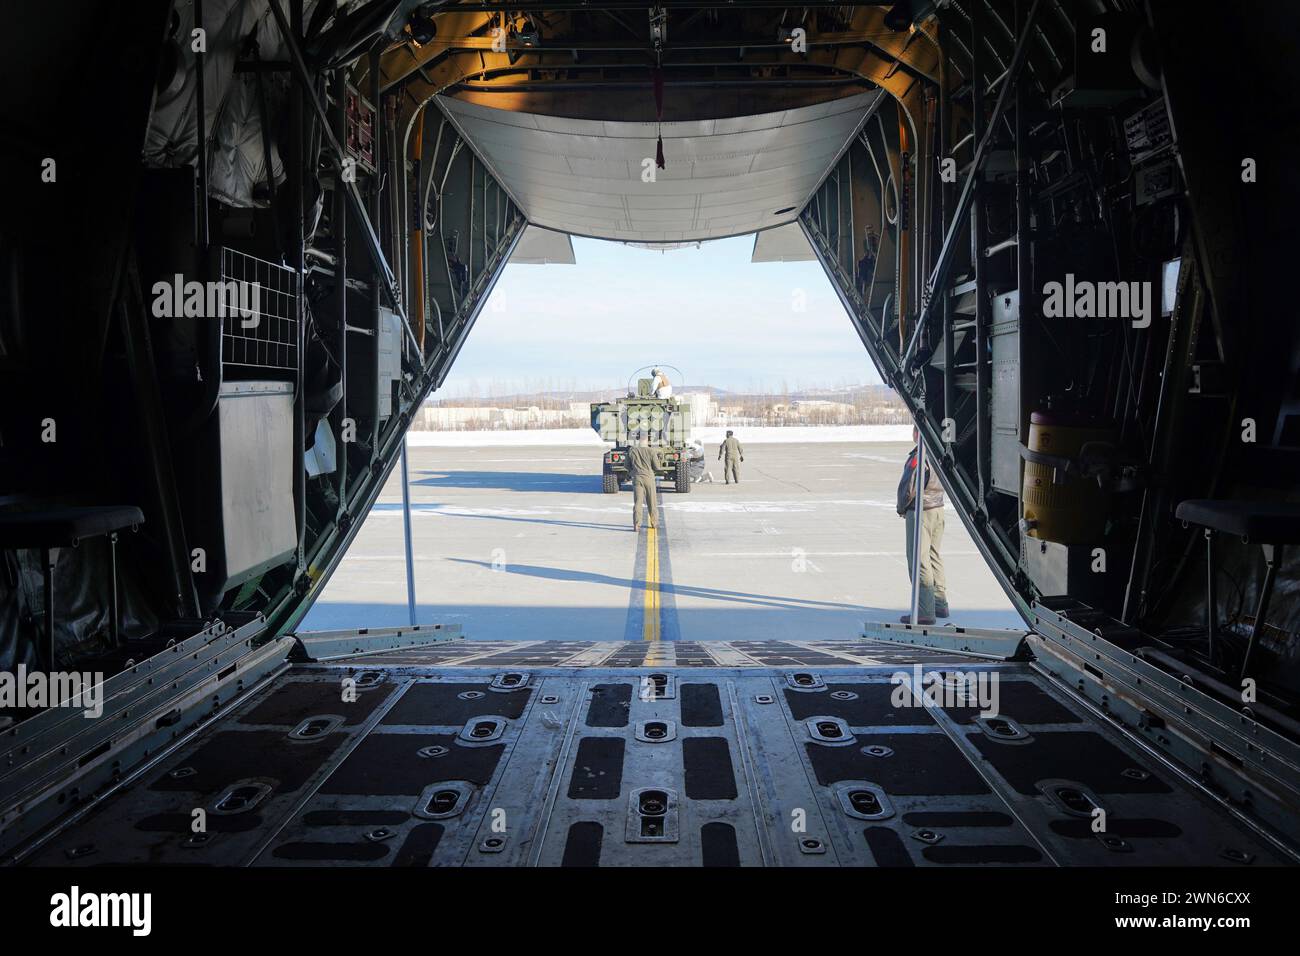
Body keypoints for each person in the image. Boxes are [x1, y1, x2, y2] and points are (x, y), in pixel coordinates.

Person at [896, 426, 948, 624]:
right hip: (938, 508)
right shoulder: (938, 454)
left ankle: (925, 611)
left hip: (921, 511)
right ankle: (940, 603)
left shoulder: (920, 456)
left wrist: (902, 507)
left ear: (918, 434)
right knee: (934, 556)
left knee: (919, 560)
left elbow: (909, 487)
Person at [628, 435, 659, 531]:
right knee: (652, 502)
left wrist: (632, 472)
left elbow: (626, 465)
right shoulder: (651, 451)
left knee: (638, 502)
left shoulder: (632, 451)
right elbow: (657, 467)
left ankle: (637, 524)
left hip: (637, 478)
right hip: (649, 478)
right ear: (647, 442)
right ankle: (654, 522)